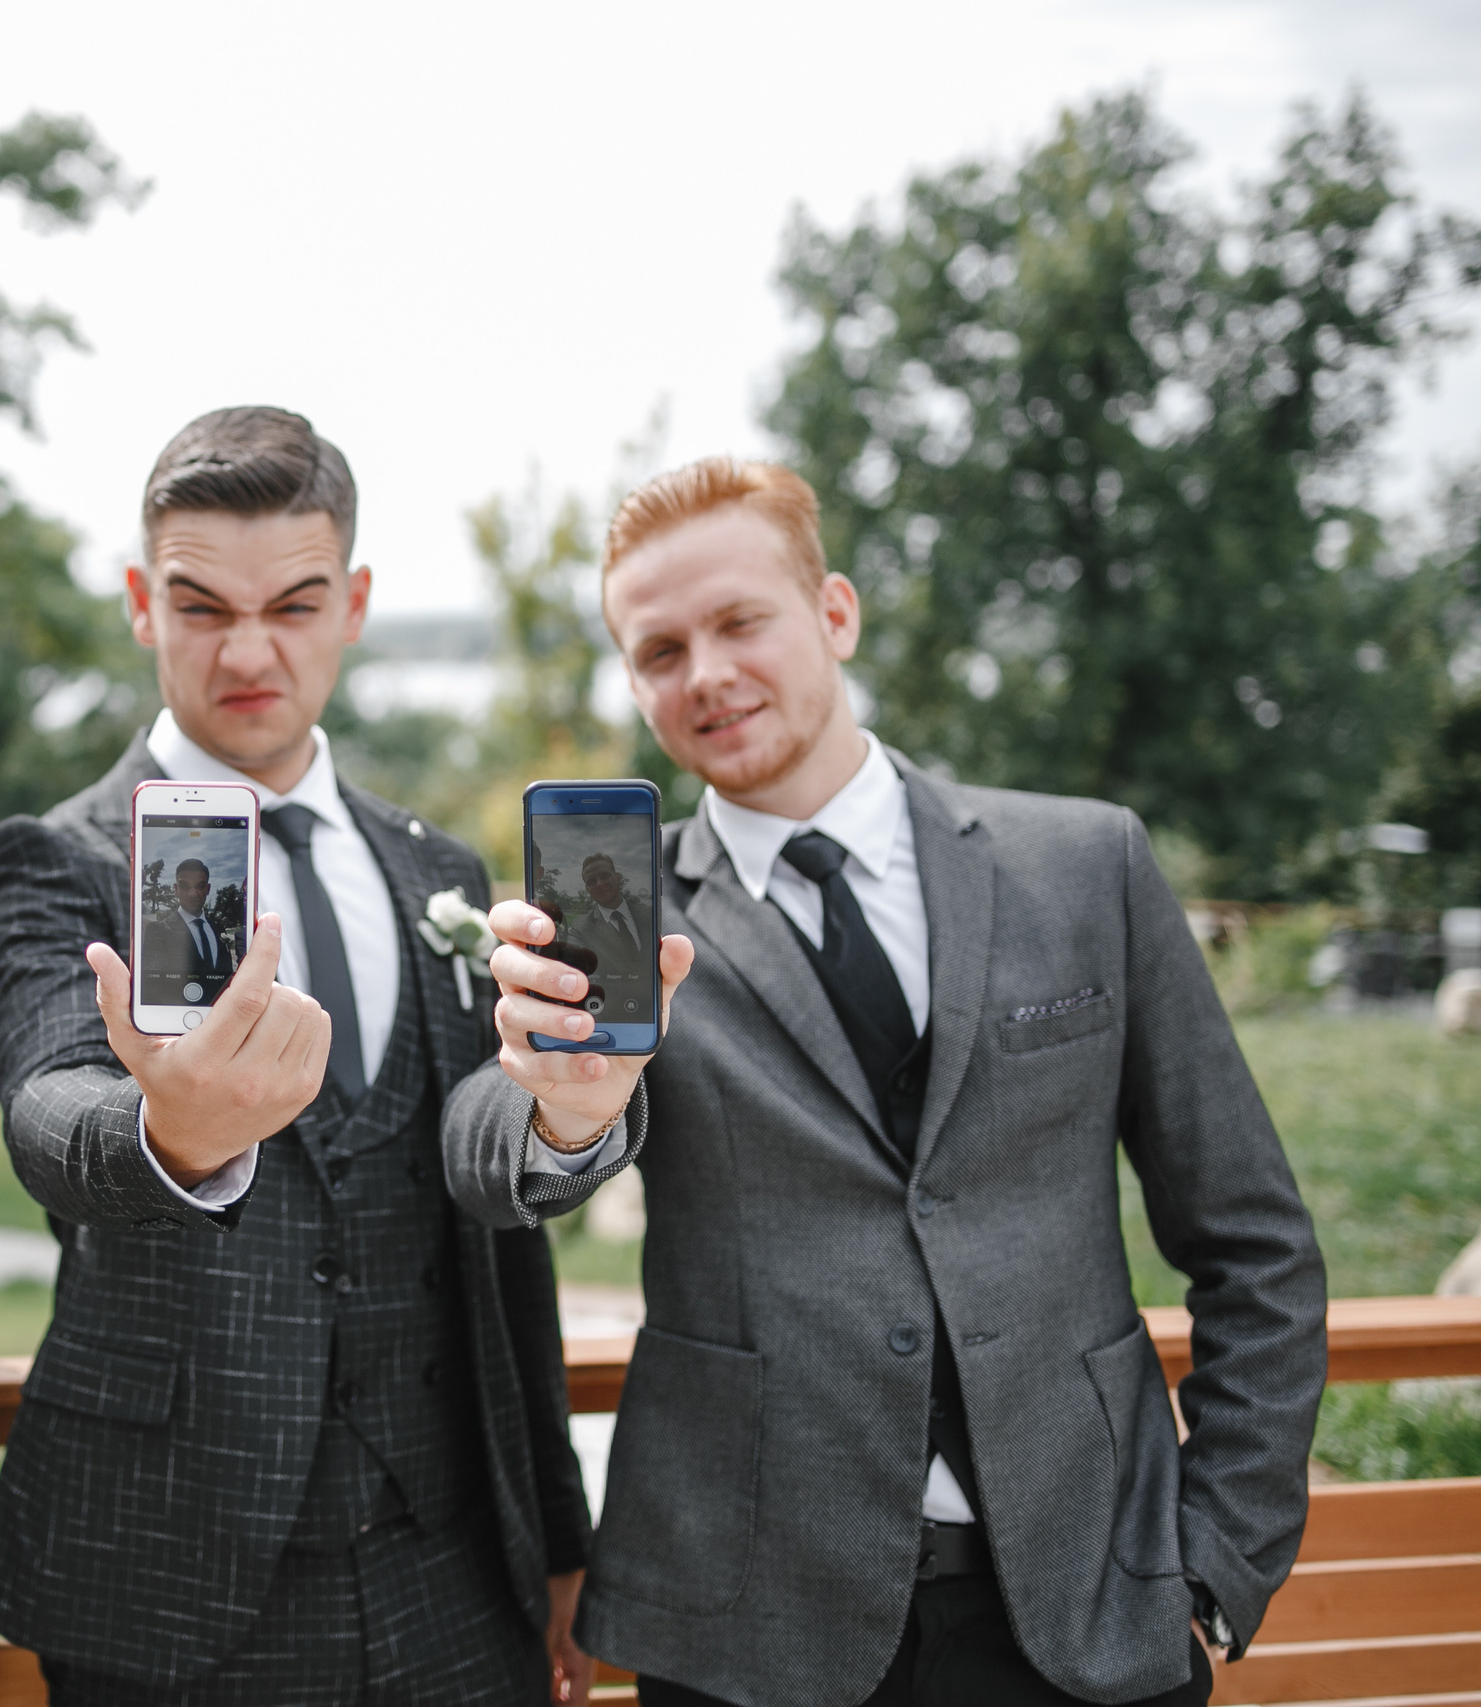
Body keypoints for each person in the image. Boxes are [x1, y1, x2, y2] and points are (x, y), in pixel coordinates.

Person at [445, 456, 1326, 1707]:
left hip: (1091, 1610)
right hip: (745, 1633)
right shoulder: (610, 921)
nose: (703, 674)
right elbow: (484, 1156)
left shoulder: (1083, 865)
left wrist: (1216, 1559)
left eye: (740, 621)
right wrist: (560, 1105)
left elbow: (1254, 1242)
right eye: (657, 651)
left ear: (835, 613)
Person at [0, 406, 647, 1706]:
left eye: (294, 600)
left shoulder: (439, 867)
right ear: (139, 603)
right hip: (166, 1587)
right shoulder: (55, 857)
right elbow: (50, 1109)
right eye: (202, 604)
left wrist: (557, 1535)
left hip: (453, 1574)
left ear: (356, 603)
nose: (250, 648)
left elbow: (502, 1249)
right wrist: (172, 1131)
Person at [559, 853, 643, 991]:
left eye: (604, 876)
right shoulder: (580, 929)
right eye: (591, 881)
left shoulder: (649, 914)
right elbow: (574, 967)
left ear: (617, 878)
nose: (599, 883)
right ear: (587, 889)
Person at [143, 857, 234, 985]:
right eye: (185, 886)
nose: (192, 893)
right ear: (176, 889)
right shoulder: (158, 931)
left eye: (200, 886)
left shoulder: (218, 929)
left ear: (207, 889)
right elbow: (154, 984)